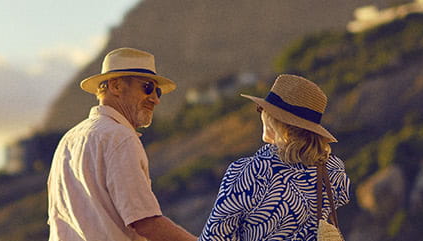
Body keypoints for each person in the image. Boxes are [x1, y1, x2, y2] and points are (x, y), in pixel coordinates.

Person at [47, 47, 197, 241]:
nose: (155, 99)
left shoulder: (67, 141)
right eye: (147, 88)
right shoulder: (120, 137)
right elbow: (145, 222)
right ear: (116, 86)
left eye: (157, 91)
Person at [198, 74, 350, 240]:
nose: (261, 113)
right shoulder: (334, 170)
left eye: (261, 108)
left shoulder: (248, 171)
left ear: (273, 118)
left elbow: (214, 236)